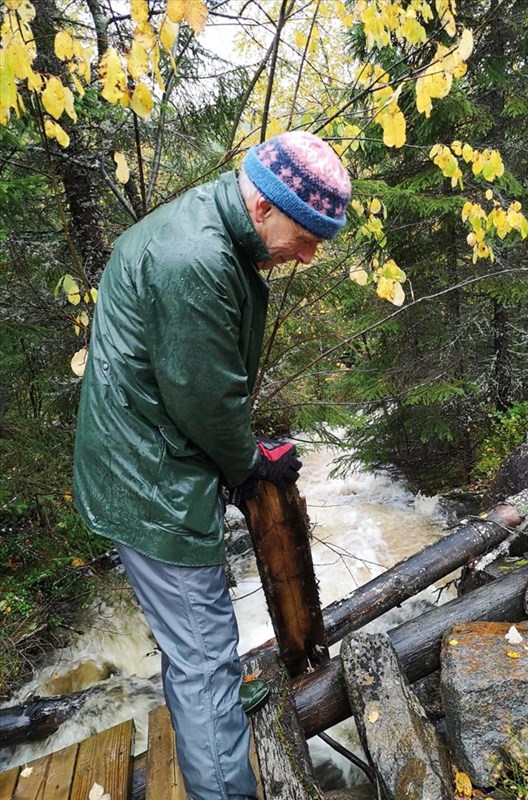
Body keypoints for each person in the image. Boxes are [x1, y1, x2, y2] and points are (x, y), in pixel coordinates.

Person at [72, 130, 351, 800]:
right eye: (306, 235)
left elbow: (195, 383)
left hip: (143, 460)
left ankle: (216, 704)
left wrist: (246, 458)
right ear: (264, 208)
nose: (308, 256)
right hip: (150, 482)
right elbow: (206, 397)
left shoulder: (208, 229)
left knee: (198, 640)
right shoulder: (195, 258)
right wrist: (251, 465)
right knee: (202, 654)